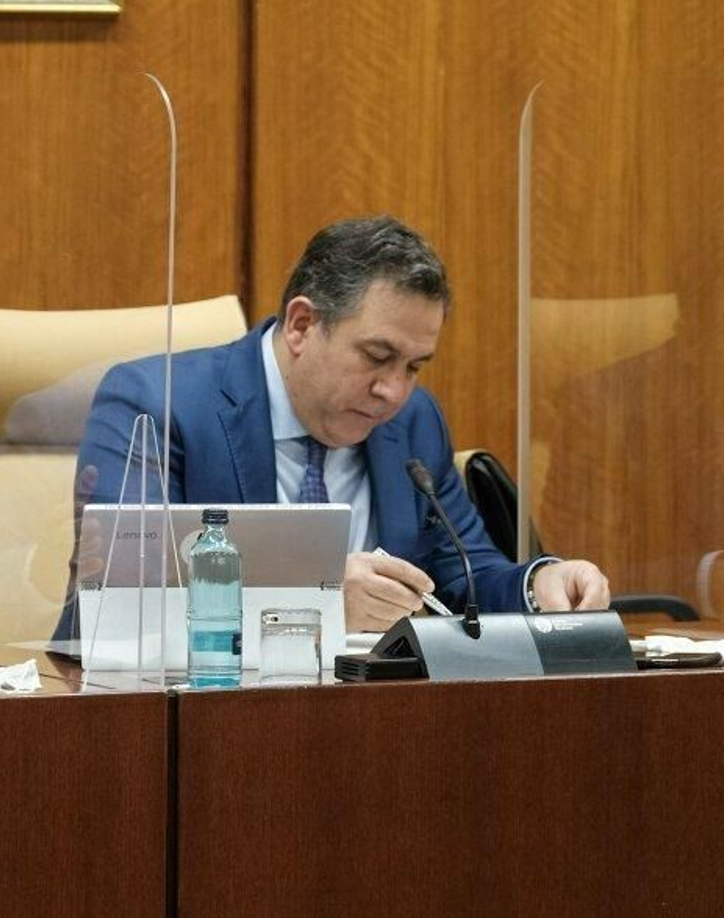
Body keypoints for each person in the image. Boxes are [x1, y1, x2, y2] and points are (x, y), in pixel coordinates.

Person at [74, 215, 610, 632]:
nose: (393, 390)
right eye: (377, 356)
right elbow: (128, 602)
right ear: (302, 324)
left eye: (414, 367)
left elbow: (466, 579)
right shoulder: (157, 404)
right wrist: (318, 601)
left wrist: (540, 585)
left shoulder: (414, 423)